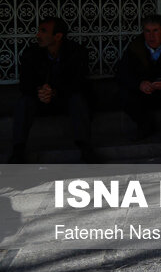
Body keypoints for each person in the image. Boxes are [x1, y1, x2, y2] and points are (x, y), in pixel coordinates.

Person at [9, 17, 96, 164]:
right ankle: (18, 151)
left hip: (64, 99)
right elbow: (24, 84)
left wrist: (55, 92)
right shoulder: (31, 53)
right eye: (39, 31)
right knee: (23, 103)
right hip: (40, 100)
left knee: (78, 100)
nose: (38, 35)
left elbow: (78, 81)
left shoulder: (76, 52)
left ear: (58, 36)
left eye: (43, 31)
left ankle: (85, 148)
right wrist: (40, 91)